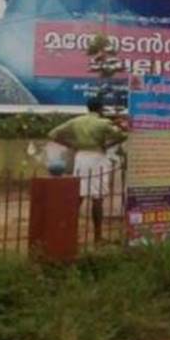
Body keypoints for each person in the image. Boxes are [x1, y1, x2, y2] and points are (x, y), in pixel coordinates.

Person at [49, 97, 128, 243]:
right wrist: (110, 142)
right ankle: (98, 236)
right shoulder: (103, 123)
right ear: (100, 109)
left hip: (80, 158)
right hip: (97, 158)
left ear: (88, 108)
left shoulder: (76, 121)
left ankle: (67, 232)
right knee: (97, 197)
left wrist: (71, 145)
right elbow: (124, 135)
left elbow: (53, 134)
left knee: (79, 194)